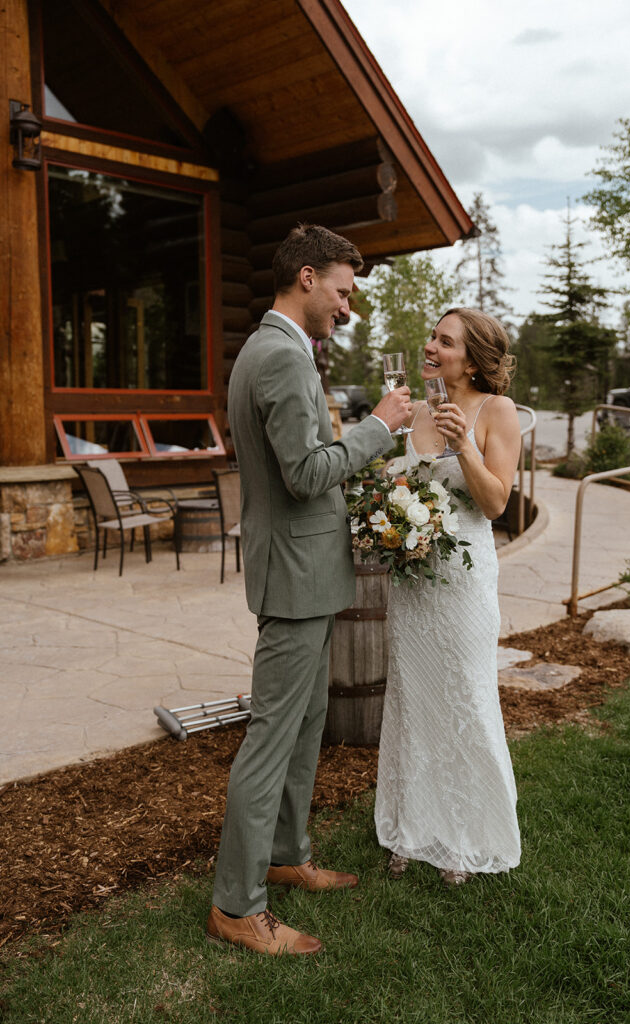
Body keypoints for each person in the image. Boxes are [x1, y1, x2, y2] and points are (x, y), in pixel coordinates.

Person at [207, 224, 412, 955]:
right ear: (305, 277)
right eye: (342, 289)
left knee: (301, 729)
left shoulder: (277, 350)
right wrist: (378, 428)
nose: (347, 306)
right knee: (271, 740)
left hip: (304, 574)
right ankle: (237, 905)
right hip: (293, 579)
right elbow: (304, 475)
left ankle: (288, 855)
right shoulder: (280, 358)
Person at [374, 307, 522, 886]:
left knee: (464, 699)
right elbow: (409, 486)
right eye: (432, 336)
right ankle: (412, 828)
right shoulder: (417, 413)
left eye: (445, 340)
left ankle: (465, 835)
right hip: (412, 583)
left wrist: (465, 445)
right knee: (413, 702)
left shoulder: (496, 411)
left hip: (463, 586)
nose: (431, 346)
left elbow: (495, 504)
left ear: (474, 357)